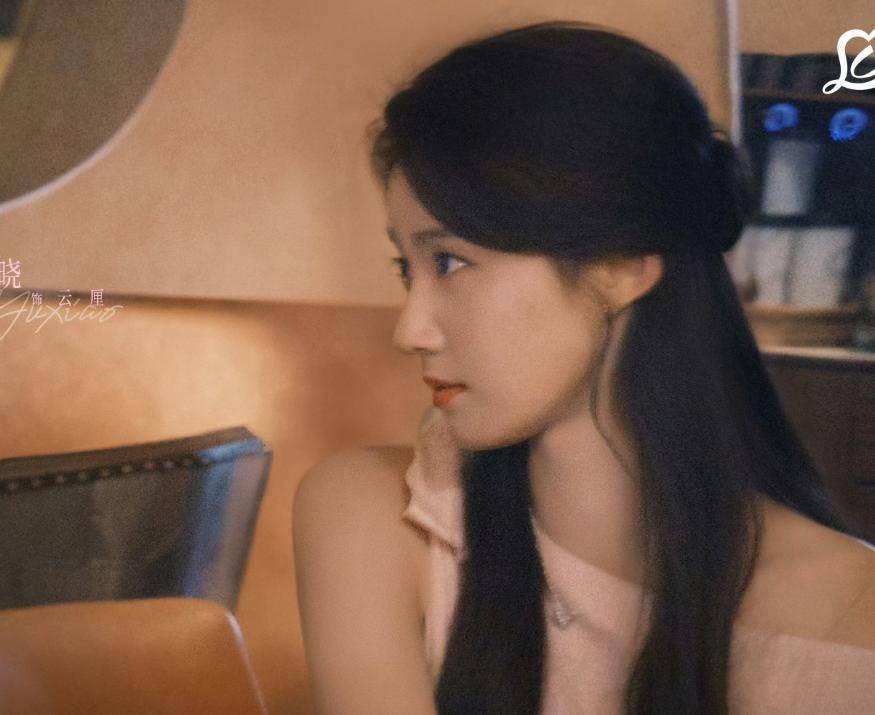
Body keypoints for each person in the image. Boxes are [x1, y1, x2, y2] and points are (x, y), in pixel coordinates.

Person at [293, 20, 875, 714]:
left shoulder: (851, 618)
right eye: (406, 268)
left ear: (620, 267)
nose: (408, 329)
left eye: (450, 262)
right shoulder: (373, 517)